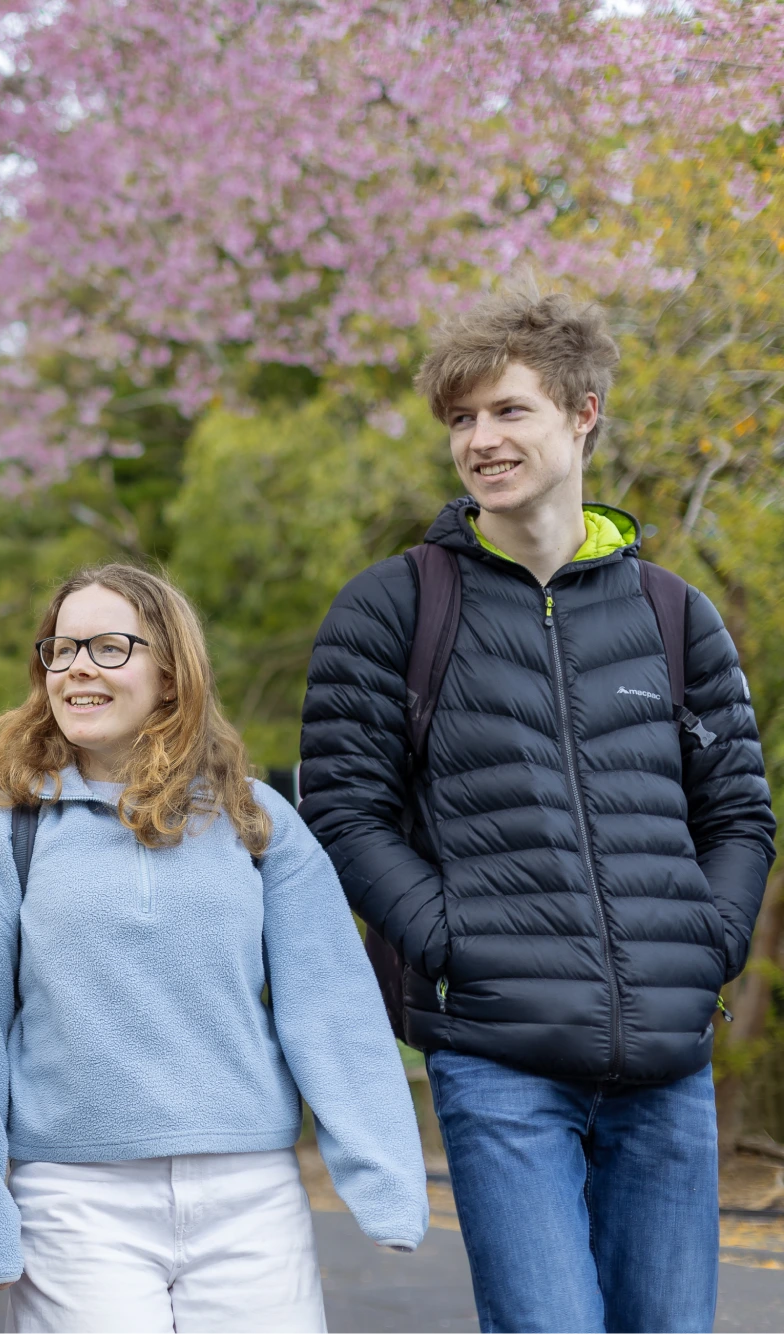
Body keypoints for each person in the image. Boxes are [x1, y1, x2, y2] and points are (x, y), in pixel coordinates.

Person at [300, 289, 776, 1334]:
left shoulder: (672, 614)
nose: (480, 440)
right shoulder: (392, 606)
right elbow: (340, 806)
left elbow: (738, 813)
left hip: (664, 1059)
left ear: (581, 412)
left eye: (506, 411)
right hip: (496, 1055)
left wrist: (705, 942)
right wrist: (447, 939)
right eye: (460, 420)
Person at [0, 561, 427, 1332]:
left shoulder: (257, 820)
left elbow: (331, 1005)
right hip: (73, 1202)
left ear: (169, 674)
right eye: (59, 651)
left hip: (250, 1195)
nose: (77, 669)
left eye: (107, 647)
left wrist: (386, 1178)